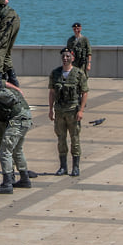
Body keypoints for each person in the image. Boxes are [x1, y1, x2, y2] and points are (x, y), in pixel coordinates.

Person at [0, 79, 33, 194]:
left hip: (18, 120)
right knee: (17, 150)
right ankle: (24, 179)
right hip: (23, 119)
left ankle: (7, 183)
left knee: (5, 152)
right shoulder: (1, 93)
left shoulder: (2, 93)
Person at [48, 48, 89, 177]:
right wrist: (50, 109)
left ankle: (75, 167)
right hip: (60, 111)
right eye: (63, 56)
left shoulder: (78, 74)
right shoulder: (55, 73)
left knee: (75, 139)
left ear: (73, 58)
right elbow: (52, 92)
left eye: (68, 56)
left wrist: (81, 110)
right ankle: (63, 167)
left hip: (73, 111)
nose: (65, 58)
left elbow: (84, 92)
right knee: (61, 139)